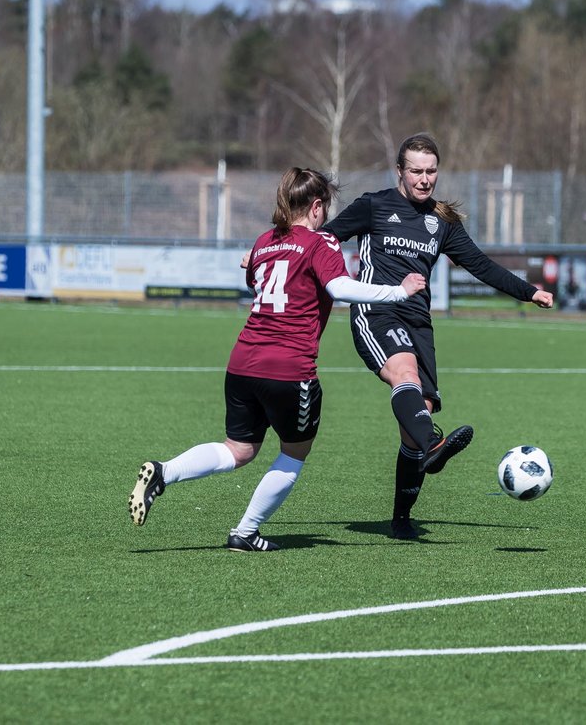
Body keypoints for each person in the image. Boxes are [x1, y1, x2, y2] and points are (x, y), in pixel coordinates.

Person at [129, 167, 427, 551]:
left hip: (242, 363)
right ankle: (245, 532)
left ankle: (165, 472)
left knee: (238, 449)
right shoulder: (322, 243)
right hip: (289, 368)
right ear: (317, 206)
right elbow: (340, 287)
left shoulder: (264, 241)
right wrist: (398, 292)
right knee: (293, 454)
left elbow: (257, 280)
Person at [323, 133, 555, 540]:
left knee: (416, 420)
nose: (424, 178)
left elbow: (481, 265)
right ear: (400, 171)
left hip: (419, 322)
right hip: (376, 310)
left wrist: (529, 292)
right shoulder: (373, 206)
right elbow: (323, 237)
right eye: (416, 170)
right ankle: (431, 441)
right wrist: (266, 250)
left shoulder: (441, 222)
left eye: (431, 171)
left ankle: (400, 519)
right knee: (406, 376)